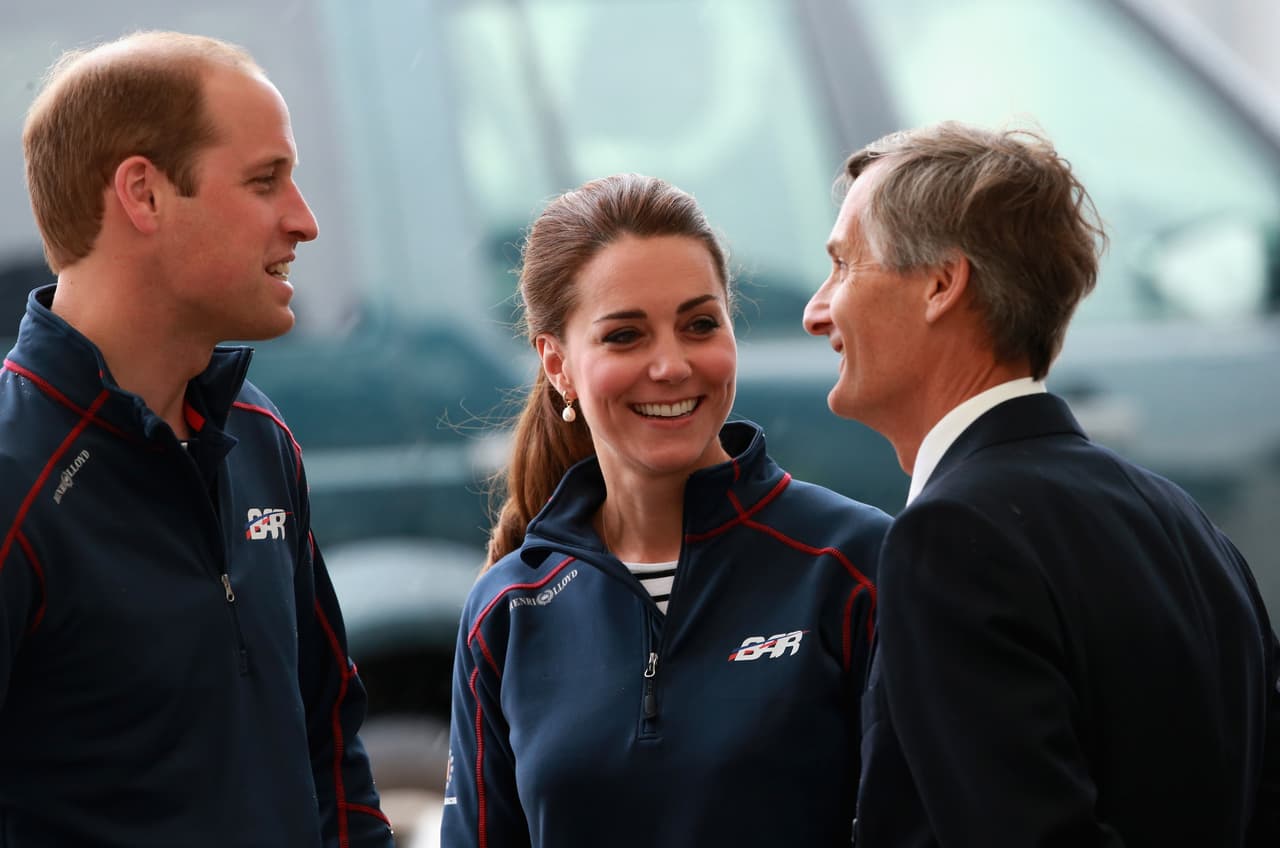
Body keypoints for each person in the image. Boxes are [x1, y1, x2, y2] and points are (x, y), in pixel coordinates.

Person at [803, 120, 1280, 846]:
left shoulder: (951, 539)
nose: (816, 311)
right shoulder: (1188, 526)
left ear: (940, 283)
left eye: (843, 265)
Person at [0, 31, 393, 847]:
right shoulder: (15, 479)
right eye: (266, 180)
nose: (305, 221)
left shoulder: (259, 437)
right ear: (142, 194)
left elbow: (329, 746)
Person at [440, 173, 890, 847]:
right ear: (557, 363)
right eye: (625, 336)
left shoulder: (854, 564)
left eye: (699, 324)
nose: (673, 365)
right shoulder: (506, 609)